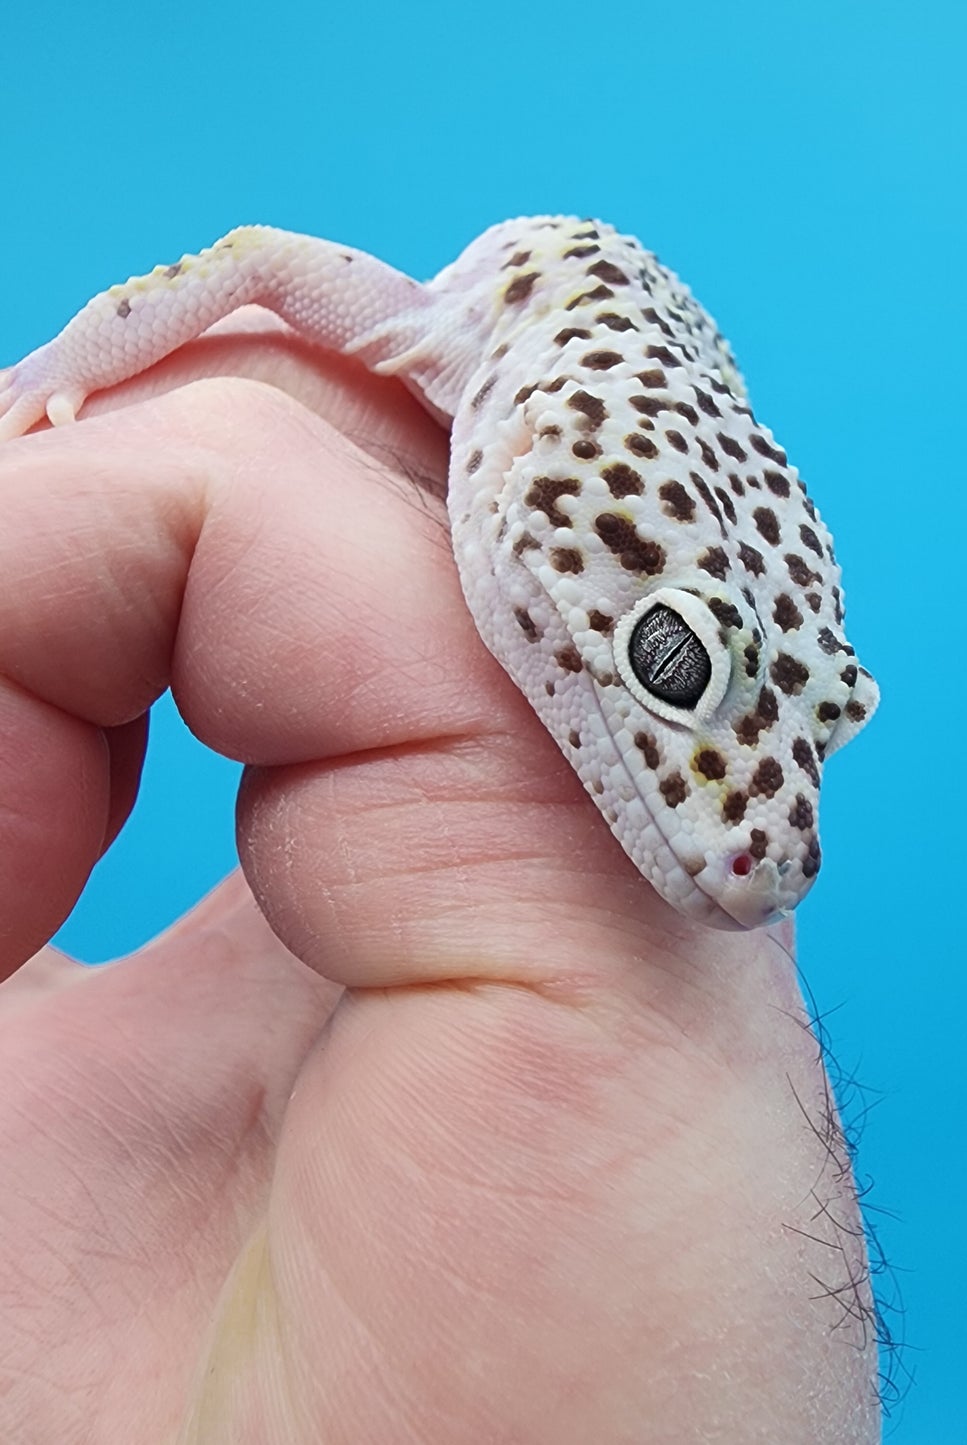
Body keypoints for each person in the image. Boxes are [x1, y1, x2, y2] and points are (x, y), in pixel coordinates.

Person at [0, 313, 880, 1443]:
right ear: (533, 461)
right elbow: (252, 260)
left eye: (821, 726)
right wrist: (58, 371)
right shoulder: (456, 348)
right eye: (670, 662)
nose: (769, 864)